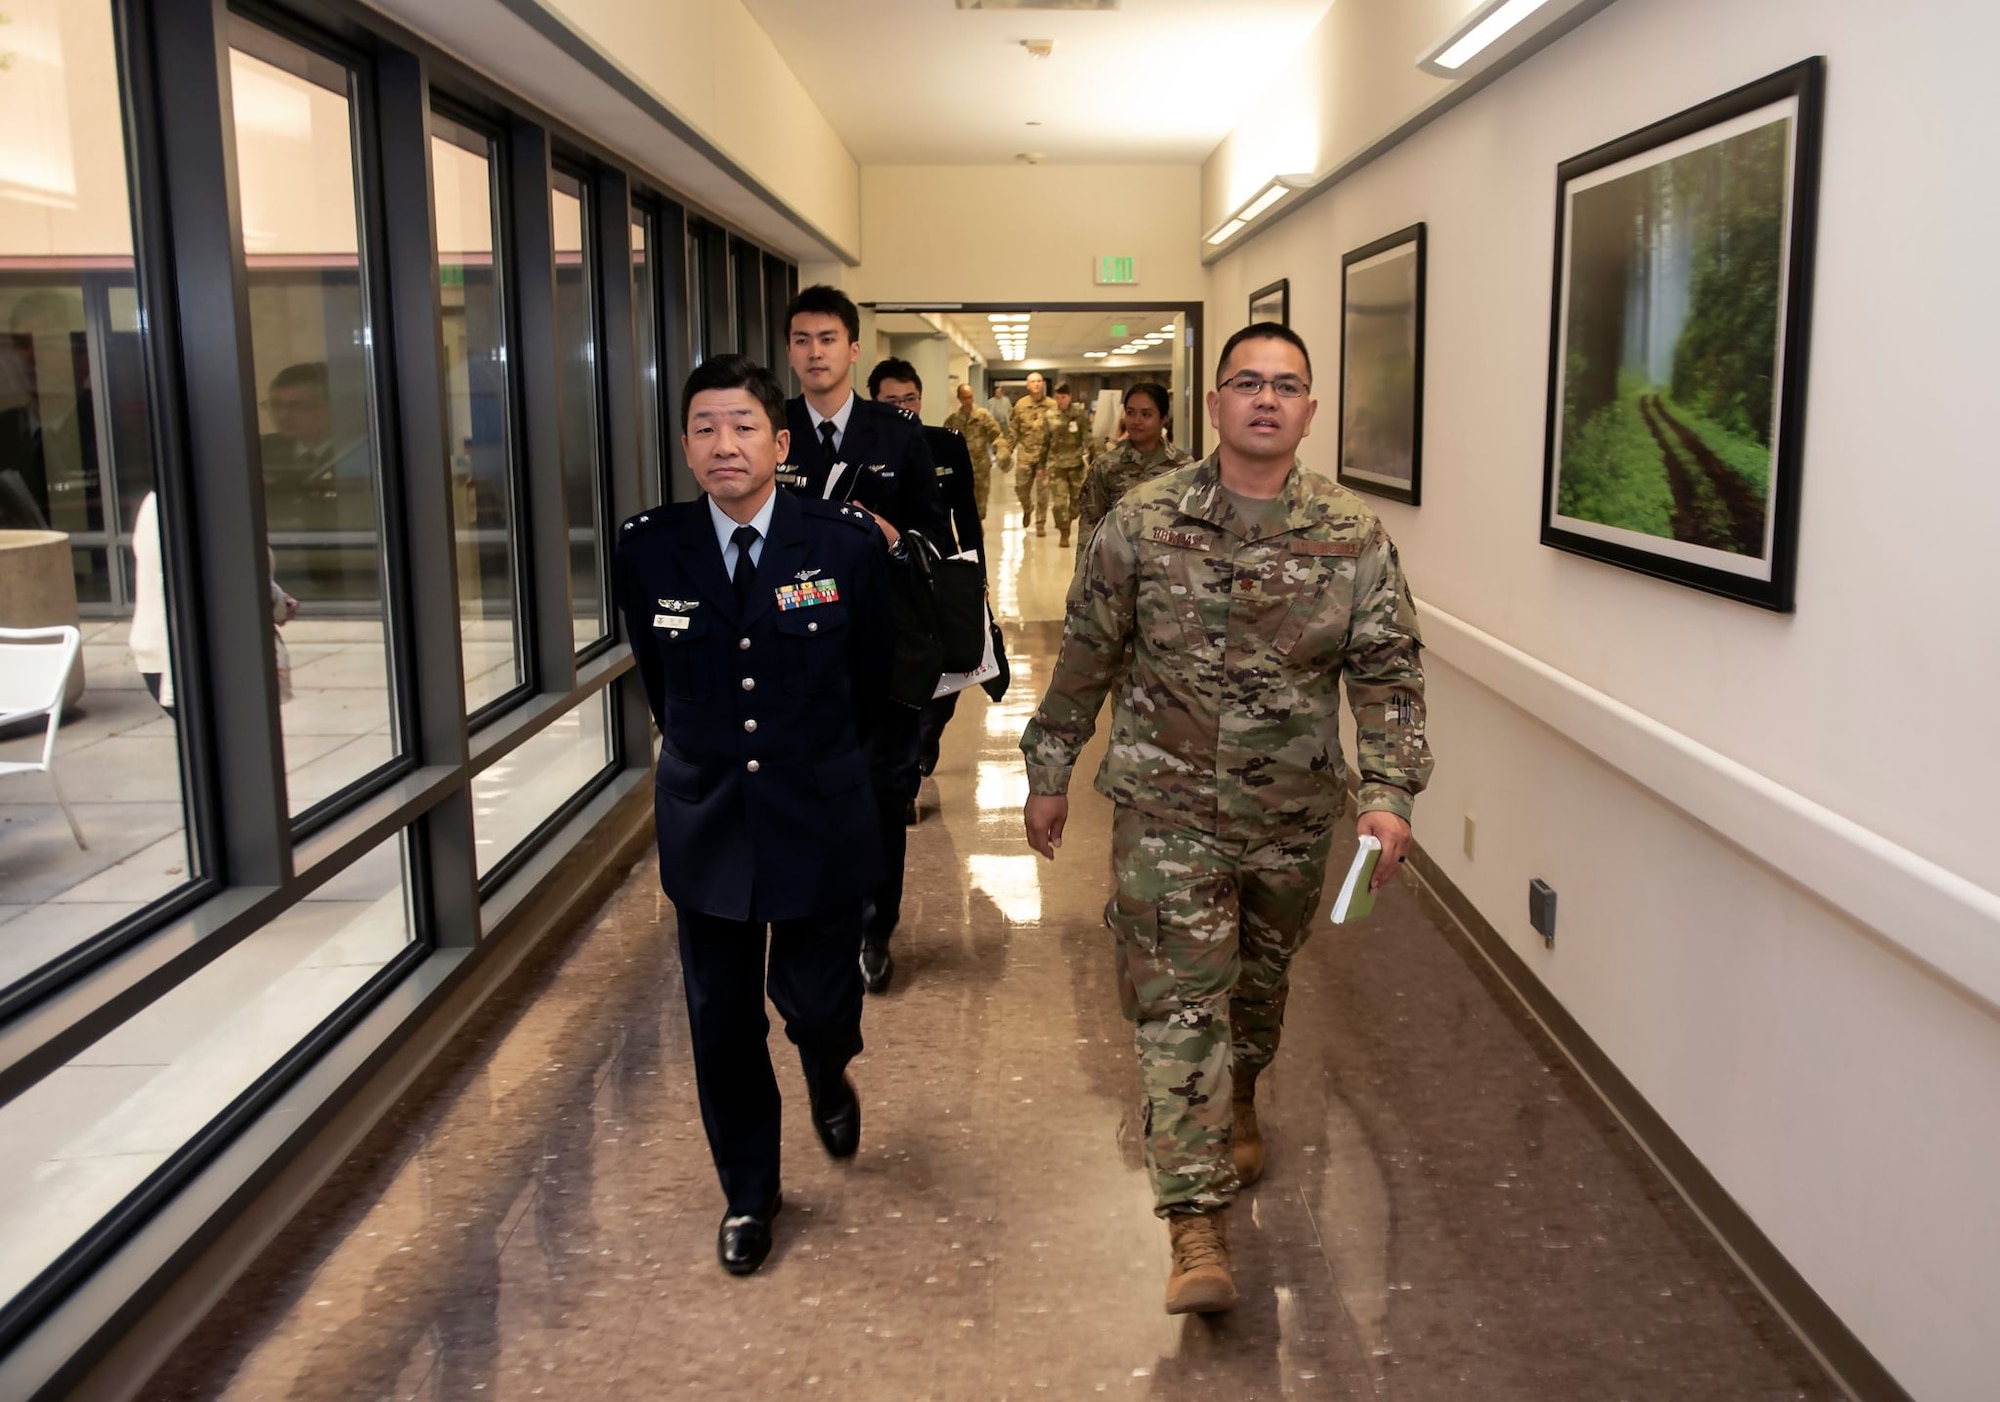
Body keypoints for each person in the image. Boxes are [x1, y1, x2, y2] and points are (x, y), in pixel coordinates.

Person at [1018, 323, 1433, 1315]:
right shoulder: (1141, 520)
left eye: (1283, 385)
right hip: (1165, 810)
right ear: (1212, 403)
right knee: (1176, 1004)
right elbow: (1085, 652)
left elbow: (1386, 675)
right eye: (1244, 382)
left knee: (1256, 979)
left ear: (1307, 410)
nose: (1263, 398)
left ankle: (1242, 1087)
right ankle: (1192, 1224)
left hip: (1289, 816)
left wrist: (1386, 792)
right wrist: (1048, 767)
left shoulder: (1349, 535)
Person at [613, 354, 897, 1278]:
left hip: (817, 810)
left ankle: (827, 1063)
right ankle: (750, 1191)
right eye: (704, 427)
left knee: (816, 1001)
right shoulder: (650, 547)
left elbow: (874, 681)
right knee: (720, 1020)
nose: (723, 444)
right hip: (708, 820)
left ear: (780, 442)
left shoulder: (845, 542)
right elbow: (662, 683)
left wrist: (837, 766)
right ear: (686, 445)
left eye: (742, 427)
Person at [777, 284, 949, 996]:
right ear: (789, 353)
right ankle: (817, 922)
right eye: (800, 341)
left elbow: (937, 541)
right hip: (792, 646)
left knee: (881, 792)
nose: (814, 353)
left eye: (827, 340)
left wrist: (888, 536)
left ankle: (876, 929)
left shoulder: (898, 433)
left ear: (853, 349)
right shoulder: (770, 426)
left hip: (882, 644)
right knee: (802, 792)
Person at [870, 358, 987, 795]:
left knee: (956, 663)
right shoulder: (869, 451)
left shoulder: (947, 443)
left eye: (910, 399)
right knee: (902, 668)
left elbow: (966, 516)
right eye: (891, 401)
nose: (904, 408)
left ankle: (924, 738)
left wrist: (978, 576)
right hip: (887, 577)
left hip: (940, 573)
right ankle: (906, 756)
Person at [1071, 381, 1192, 562]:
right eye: (1130, 413)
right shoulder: (1106, 466)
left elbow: (1193, 527)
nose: (1136, 421)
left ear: (1164, 417)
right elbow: (1090, 526)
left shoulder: (1183, 467)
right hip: (1117, 569)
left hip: (1168, 572)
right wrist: (1084, 578)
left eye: (1146, 414)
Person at [1004, 371, 1058, 536]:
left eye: (1039, 381)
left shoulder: (1052, 405)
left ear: (1043, 384)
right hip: (1025, 455)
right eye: (1033, 381)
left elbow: (1058, 432)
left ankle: (1040, 523)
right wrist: (1007, 450)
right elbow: (1013, 431)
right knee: (1021, 488)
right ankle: (1027, 508)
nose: (1036, 384)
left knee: (1043, 492)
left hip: (1045, 457)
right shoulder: (1020, 405)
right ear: (1027, 385)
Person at [943, 382, 1006, 521]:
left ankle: (976, 528)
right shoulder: (953, 420)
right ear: (959, 398)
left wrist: (1001, 451)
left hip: (980, 468)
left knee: (980, 503)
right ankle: (969, 531)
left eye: (970, 397)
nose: (968, 401)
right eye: (965, 398)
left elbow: (996, 435)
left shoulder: (983, 415)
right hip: (960, 468)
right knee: (962, 503)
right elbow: (945, 443)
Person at [1042, 380, 1093, 547]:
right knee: (1058, 504)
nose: (1060, 400)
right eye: (1057, 397)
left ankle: (1070, 517)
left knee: (1077, 503)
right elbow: (1045, 442)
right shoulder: (1049, 415)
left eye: (1063, 397)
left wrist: (1094, 458)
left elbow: (1087, 436)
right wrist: (1041, 466)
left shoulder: (1079, 414)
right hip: (1056, 465)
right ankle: (1064, 531)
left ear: (1069, 396)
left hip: (1076, 465)